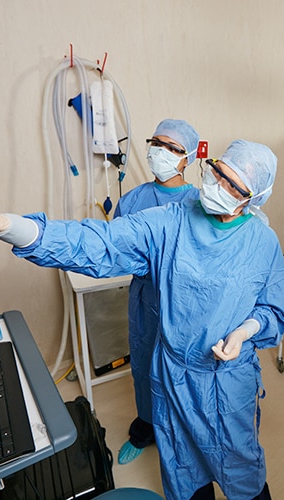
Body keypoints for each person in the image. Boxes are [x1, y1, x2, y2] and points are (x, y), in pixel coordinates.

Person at [0, 139, 284, 500]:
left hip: (225, 381)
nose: (216, 186)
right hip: (173, 376)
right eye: (217, 171)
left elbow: (272, 310)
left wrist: (244, 330)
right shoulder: (171, 223)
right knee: (183, 471)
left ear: (251, 199)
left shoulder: (262, 243)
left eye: (232, 185)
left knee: (241, 472)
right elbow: (97, 242)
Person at [113, 118, 200, 465]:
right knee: (145, 366)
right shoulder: (133, 200)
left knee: (184, 370)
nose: (160, 152)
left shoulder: (199, 203)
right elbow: (116, 251)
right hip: (147, 300)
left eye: (172, 148)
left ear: (187, 158)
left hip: (188, 303)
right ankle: (146, 428)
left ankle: (183, 431)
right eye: (156, 143)